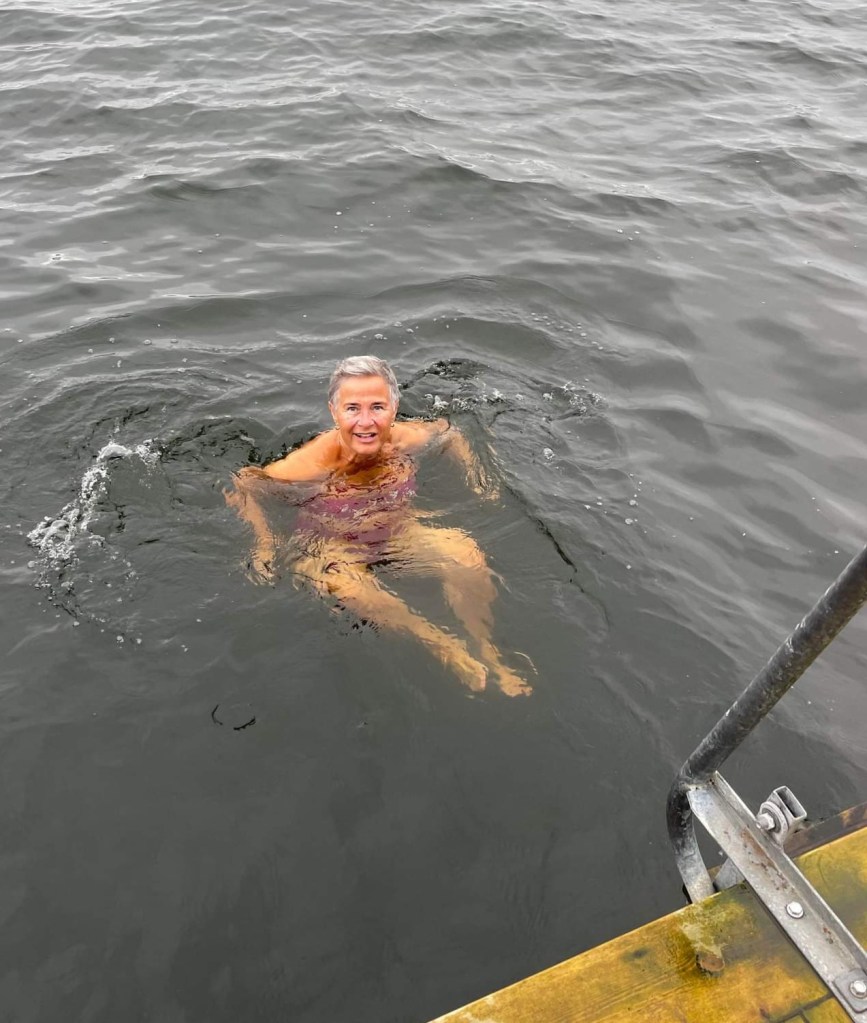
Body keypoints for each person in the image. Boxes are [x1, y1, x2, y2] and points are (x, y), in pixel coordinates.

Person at [225, 355, 531, 696]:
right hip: (331, 544)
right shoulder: (310, 462)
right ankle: (441, 644)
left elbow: (451, 432)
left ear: (394, 408)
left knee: (467, 555)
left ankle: (487, 647)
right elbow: (244, 483)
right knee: (350, 587)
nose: (365, 422)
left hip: (398, 530)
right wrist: (264, 543)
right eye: (352, 408)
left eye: (377, 407)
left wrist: (479, 480)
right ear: (334, 412)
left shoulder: (406, 439)